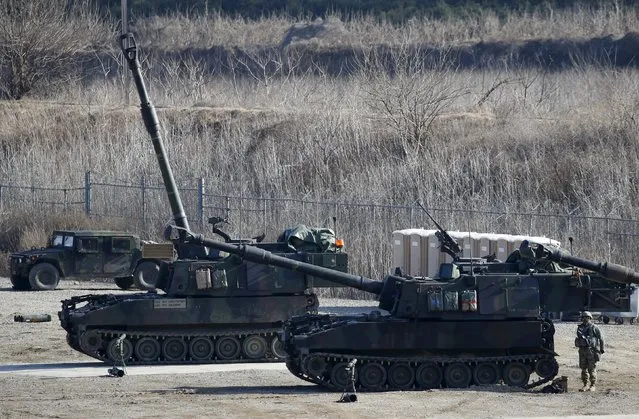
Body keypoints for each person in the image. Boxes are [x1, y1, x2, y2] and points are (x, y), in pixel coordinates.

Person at [574, 311, 604, 391]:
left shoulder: (594, 327)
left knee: (592, 368)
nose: (585, 319)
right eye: (583, 317)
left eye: (587, 317)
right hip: (582, 350)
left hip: (591, 350)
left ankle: (593, 385)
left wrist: (601, 349)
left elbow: (601, 339)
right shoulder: (580, 328)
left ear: (590, 318)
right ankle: (585, 384)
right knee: (583, 368)